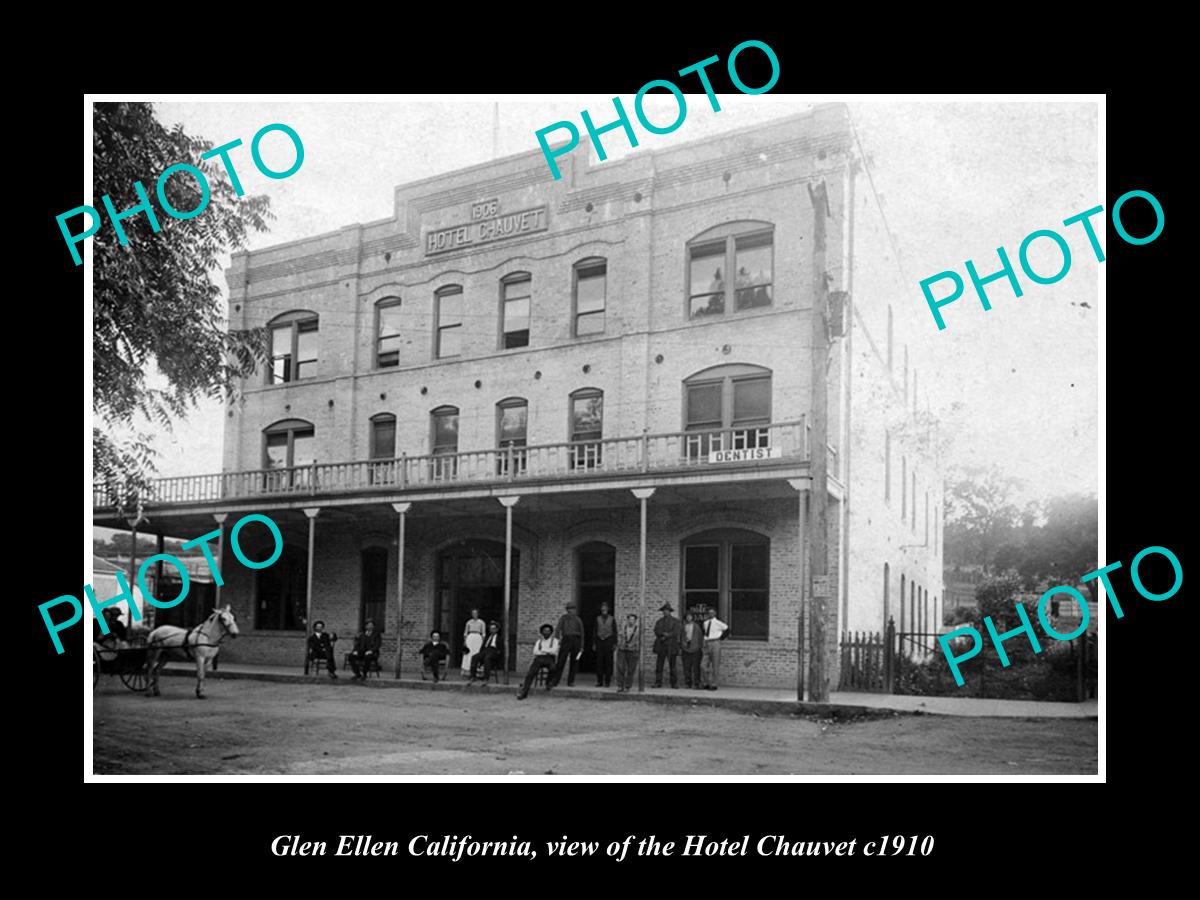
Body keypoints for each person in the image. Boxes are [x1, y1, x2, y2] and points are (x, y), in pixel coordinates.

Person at [517, 624, 560, 700]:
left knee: (553, 668)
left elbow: (554, 651)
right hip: (539, 659)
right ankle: (524, 692)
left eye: (548, 631)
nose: (546, 632)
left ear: (551, 632)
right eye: (545, 631)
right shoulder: (539, 641)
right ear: (541, 632)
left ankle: (548, 683)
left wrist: (543, 650)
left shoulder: (555, 641)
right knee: (531, 673)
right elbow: (535, 652)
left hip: (549, 658)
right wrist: (546, 651)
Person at [552, 601, 585, 687]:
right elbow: (558, 629)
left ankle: (571, 681)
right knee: (561, 660)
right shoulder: (563, 619)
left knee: (574, 661)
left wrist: (581, 646)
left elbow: (582, 633)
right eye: (569, 609)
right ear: (567, 610)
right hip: (566, 639)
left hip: (576, 640)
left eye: (573, 609)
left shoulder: (578, 619)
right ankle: (556, 680)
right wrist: (556, 641)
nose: (571, 611)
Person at [652, 602, 682, 689]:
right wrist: (663, 634)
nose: (665, 612)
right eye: (664, 611)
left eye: (667, 610)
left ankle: (674, 683)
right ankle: (658, 682)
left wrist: (667, 635)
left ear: (670, 611)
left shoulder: (675, 621)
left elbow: (676, 632)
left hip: (671, 645)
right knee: (659, 665)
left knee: (672, 666)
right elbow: (656, 630)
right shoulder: (659, 621)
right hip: (661, 645)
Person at [701, 607, 730, 690]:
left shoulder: (718, 623)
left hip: (715, 643)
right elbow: (705, 633)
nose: (711, 614)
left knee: (715, 664)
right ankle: (706, 682)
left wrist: (721, 638)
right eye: (709, 613)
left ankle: (714, 684)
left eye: (712, 613)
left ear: (715, 614)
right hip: (707, 643)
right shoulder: (705, 623)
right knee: (703, 665)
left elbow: (727, 629)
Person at [614, 612, 640, 693]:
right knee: (620, 668)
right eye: (629, 619)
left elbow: (639, 641)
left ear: (635, 621)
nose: (631, 621)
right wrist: (620, 644)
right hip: (622, 650)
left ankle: (627, 686)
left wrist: (634, 647)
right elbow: (619, 638)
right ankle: (620, 686)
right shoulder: (623, 628)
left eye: (633, 620)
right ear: (627, 620)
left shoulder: (638, 630)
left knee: (631, 669)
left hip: (632, 651)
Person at [680, 609, 705, 689]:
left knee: (696, 667)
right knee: (687, 667)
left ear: (693, 617)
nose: (689, 618)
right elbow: (681, 637)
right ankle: (688, 682)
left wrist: (699, 647)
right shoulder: (683, 627)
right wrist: (683, 644)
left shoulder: (697, 627)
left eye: (690, 616)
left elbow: (700, 637)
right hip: (686, 648)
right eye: (687, 617)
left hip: (696, 649)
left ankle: (696, 683)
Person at [593, 601, 615, 687]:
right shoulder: (597, 618)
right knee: (599, 663)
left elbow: (614, 631)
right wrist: (594, 643)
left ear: (608, 609)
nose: (604, 609)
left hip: (609, 641)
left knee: (608, 662)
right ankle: (599, 681)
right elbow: (594, 631)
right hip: (599, 641)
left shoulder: (612, 619)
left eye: (605, 608)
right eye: (602, 608)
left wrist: (614, 643)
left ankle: (607, 681)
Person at [461, 608, 486, 676]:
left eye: (476, 613)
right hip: (470, 637)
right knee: (469, 653)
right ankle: (467, 670)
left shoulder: (481, 622)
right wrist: (465, 640)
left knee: (476, 653)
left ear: (478, 614)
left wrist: (482, 641)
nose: (474, 615)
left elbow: (483, 633)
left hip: (478, 638)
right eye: (473, 613)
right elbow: (465, 633)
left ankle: (477, 671)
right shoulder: (469, 622)